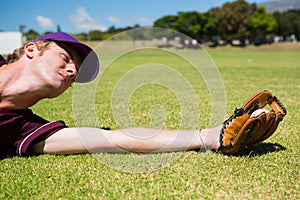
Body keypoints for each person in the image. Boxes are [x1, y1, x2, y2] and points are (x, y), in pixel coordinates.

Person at [0, 32, 274, 157]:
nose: (72, 71)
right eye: (66, 57)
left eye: (77, 72)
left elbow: (110, 138)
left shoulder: (22, 129)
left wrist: (206, 136)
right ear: (32, 50)